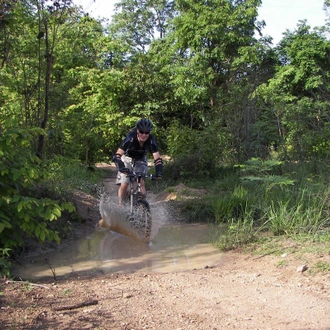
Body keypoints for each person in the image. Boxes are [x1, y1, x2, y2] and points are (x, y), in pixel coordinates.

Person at [113, 118, 163, 205]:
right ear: (137, 131)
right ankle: (120, 204)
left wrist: (159, 172)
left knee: (141, 181)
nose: (144, 135)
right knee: (125, 183)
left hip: (140, 158)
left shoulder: (151, 140)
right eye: (141, 132)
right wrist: (121, 166)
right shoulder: (130, 137)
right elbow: (117, 155)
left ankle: (143, 206)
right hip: (127, 157)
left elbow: (157, 158)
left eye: (147, 132)